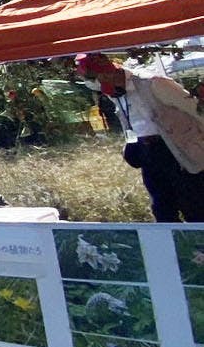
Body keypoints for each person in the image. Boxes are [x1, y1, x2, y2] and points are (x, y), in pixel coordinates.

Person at [76, 53, 204, 222]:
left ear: (106, 73)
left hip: (179, 150)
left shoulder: (154, 83)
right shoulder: (112, 92)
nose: (94, 84)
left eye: (93, 79)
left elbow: (196, 110)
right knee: (162, 210)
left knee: (194, 207)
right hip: (148, 153)